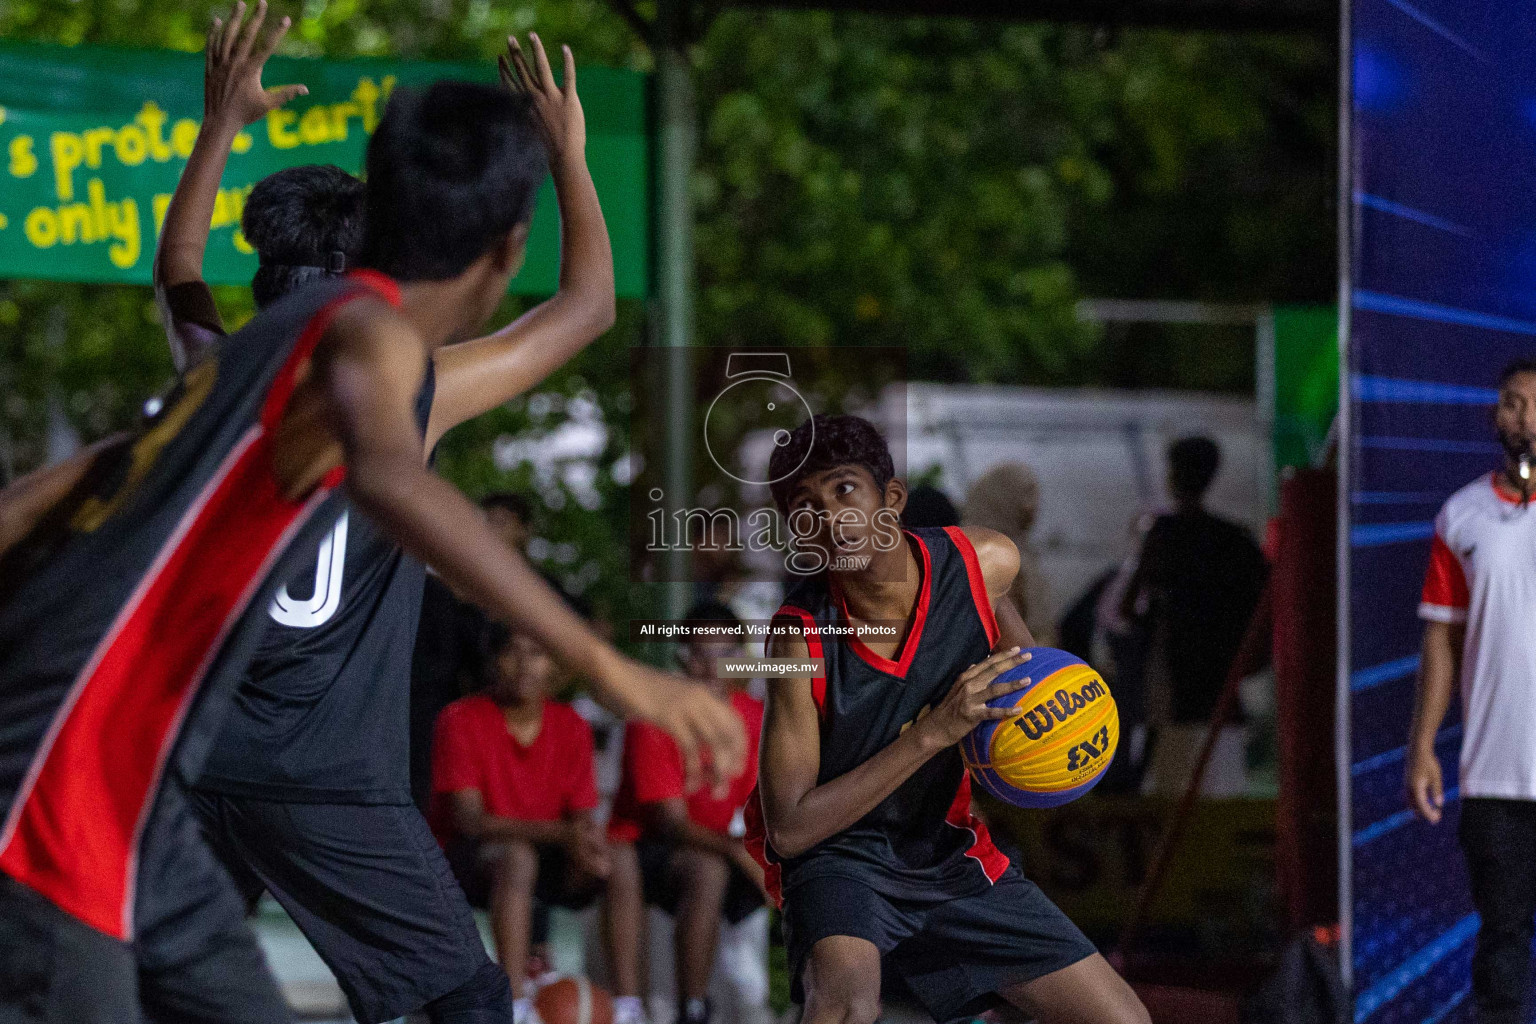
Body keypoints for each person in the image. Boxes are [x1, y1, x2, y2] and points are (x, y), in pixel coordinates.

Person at [0, 44, 743, 1024]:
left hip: (167, 769)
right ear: (505, 251)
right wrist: (608, 667)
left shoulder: (238, 354)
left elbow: (172, 279)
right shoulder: (376, 344)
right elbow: (396, 469)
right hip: (109, 769)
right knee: (463, 999)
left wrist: (220, 124)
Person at [745, 414, 1148, 1024]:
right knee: (846, 1007)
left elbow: (1023, 681)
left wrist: (1045, 742)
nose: (829, 516)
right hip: (842, 856)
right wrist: (934, 733)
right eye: (806, 506)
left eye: (845, 490)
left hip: (945, 849)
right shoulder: (799, 639)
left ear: (893, 499)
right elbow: (792, 830)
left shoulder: (985, 564)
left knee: (1123, 1020)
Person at [1406, 359, 1536, 1024]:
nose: (1525, 418)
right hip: (1496, 772)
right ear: (1496, 415)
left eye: (1535, 405)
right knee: (1503, 950)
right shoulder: (1463, 514)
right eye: (1513, 404)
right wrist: (1423, 745)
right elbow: (1441, 640)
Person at [431, 624, 608, 1019]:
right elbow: (470, 821)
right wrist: (566, 833)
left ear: (555, 667)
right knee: (517, 857)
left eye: (538, 653)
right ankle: (512, 1002)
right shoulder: (460, 718)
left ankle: (631, 1003)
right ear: (493, 661)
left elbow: (582, 815)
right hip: (466, 861)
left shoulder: (572, 724)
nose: (525, 664)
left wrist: (591, 847)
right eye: (512, 652)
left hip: (544, 857)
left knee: (620, 861)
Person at [607, 600, 767, 1024]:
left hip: (722, 844)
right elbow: (669, 822)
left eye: (727, 652)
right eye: (702, 652)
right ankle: (670, 1007)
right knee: (706, 866)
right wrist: (739, 852)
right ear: (684, 657)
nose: (715, 665)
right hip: (651, 846)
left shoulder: (758, 717)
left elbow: (763, 806)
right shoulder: (656, 715)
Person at [1117, 435, 1266, 797]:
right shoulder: (1237, 541)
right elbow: (1263, 613)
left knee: (1168, 792)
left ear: (1174, 476)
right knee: (1222, 795)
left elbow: (1127, 605)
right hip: (1222, 688)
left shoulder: (1164, 535)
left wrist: (1152, 631)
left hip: (1171, 692)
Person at [963, 461, 1057, 646]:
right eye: (1026, 494)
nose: (1032, 506)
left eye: (1034, 495)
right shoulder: (986, 552)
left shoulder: (1019, 548)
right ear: (999, 497)